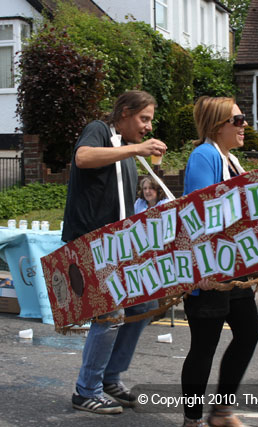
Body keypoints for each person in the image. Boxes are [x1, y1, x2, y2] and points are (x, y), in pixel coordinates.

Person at [62, 90, 167, 415]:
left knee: (146, 303)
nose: (148, 127)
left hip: (120, 246)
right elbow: (82, 158)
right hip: (91, 243)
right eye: (143, 118)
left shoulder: (127, 156)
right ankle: (86, 390)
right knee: (109, 316)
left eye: (150, 120)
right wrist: (135, 148)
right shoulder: (99, 131)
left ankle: (109, 379)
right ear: (123, 112)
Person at [180, 96, 258, 427]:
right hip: (210, 270)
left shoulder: (232, 161)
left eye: (243, 119)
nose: (245, 126)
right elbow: (198, 215)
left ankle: (222, 411)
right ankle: (193, 420)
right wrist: (198, 273)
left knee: (248, 333)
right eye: (238, 120)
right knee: (204, 347)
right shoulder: (204, 156)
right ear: (218, 126)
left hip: (234, 267)